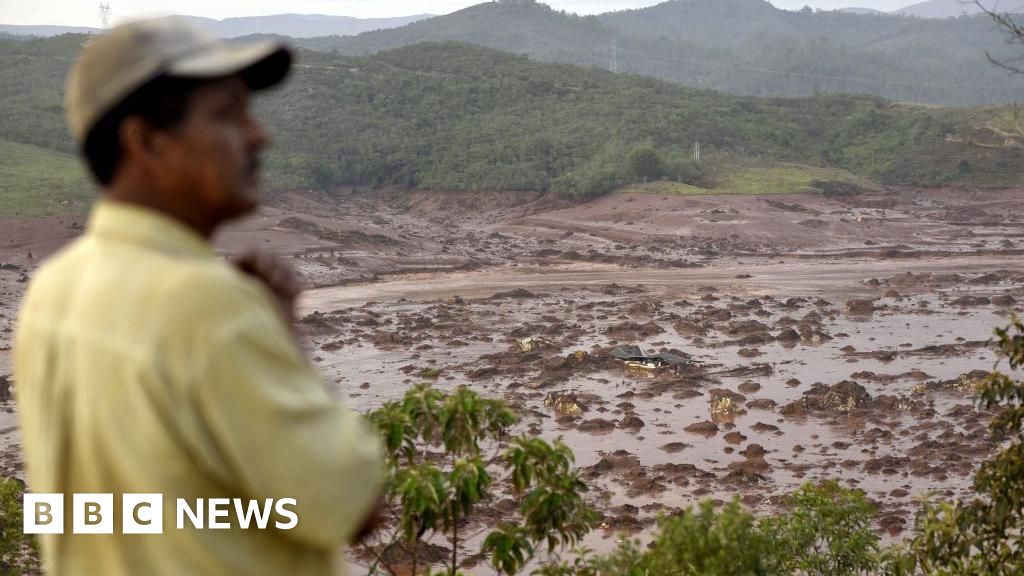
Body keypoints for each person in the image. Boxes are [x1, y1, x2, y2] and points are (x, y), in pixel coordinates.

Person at [13, 16, 383, 576]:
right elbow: (351, 506)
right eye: (227, 115)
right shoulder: (207, 303)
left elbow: (102, 513)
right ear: (146, 142)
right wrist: (286, 341)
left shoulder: (52, 290)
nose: (260, 136)